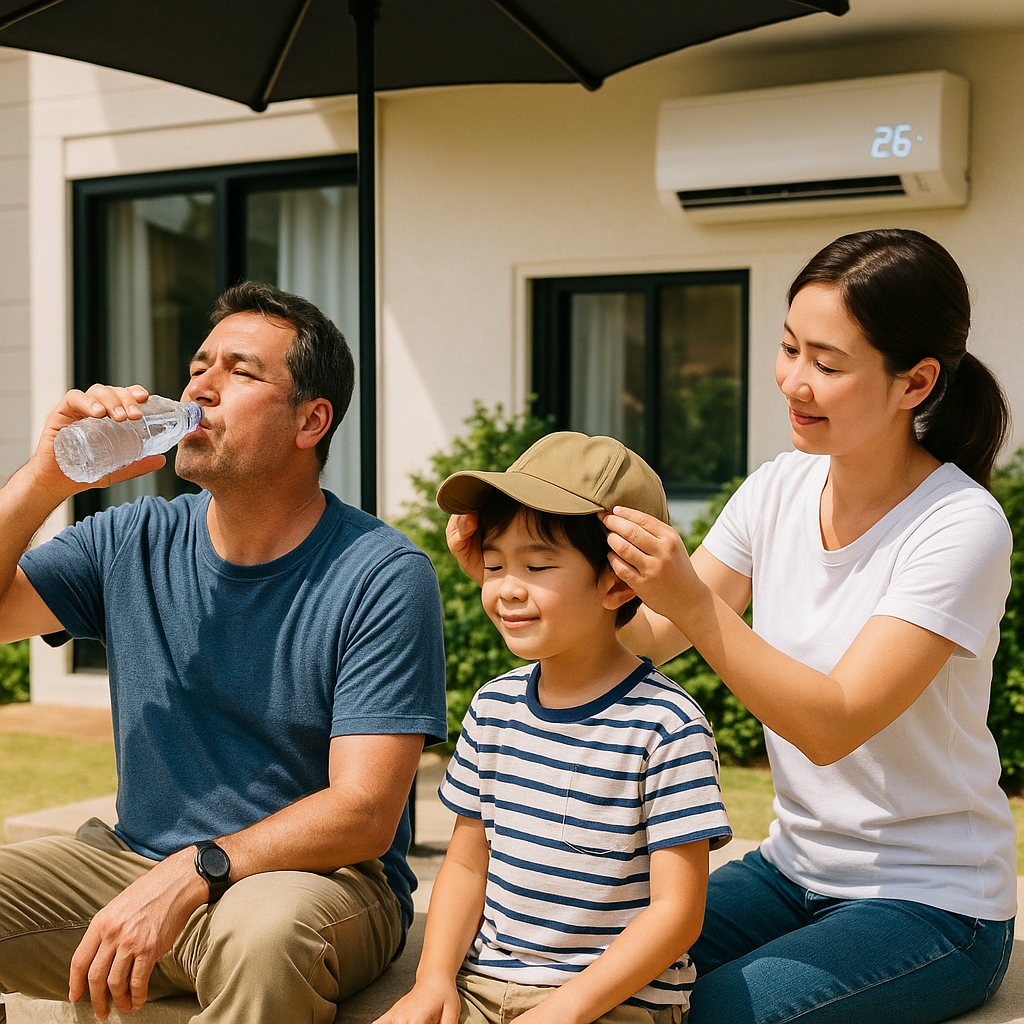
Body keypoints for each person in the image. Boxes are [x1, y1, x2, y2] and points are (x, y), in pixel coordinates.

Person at [592, 228, 1017, 1023]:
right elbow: (647, 638)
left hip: (930, 902)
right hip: (788, 871)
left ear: (915, 382)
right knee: (584, 958)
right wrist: (527, 573)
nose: (794, 381)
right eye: (789, 348)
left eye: (827, 364)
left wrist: (690, 599)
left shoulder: (960, 526)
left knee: (711, 1013)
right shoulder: (780, 487)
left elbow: (834, 722)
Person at [0, 281, 447, 1024]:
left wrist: (197, 869)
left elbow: (366, 811)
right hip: (131, 862)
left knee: (265, 934)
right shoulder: (133, 539)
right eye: (198, 366)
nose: (200, 387)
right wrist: (47, 475)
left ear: (312, 421)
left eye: (239, 372)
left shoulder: (380, 573)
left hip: (317, 883)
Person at [379, 432, 732, 1024]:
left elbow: (677, 914)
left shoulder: (667, 728)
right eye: (494, 564)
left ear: (619, 582)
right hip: (485, 988)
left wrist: (565, 1011)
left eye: (538, 565)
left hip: (613, 1005)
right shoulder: (495, 708)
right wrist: (432, 980)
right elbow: (468, 864)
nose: (507, 587)